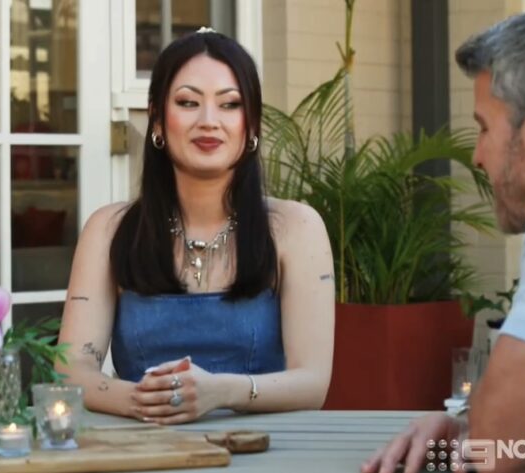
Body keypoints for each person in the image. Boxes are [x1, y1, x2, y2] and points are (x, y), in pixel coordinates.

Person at [362, 4, 525, 473]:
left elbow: (500, 456)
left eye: (483, 127)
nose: (475, 156)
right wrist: (468, 428)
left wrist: (476, 436)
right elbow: (521, 448)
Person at [56, 30, 335, 424]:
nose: (209, 122)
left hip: (265, 450)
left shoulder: (296, 227)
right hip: (143, 448)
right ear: (156, 119)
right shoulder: (108, 229)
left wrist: (222, 391)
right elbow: (71, 370)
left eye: (230, 104)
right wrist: (136, 399)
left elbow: (313, 383)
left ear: (251, 124)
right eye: (188, 102)